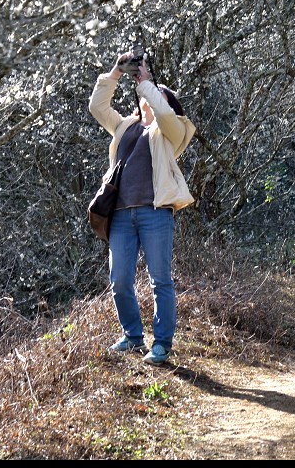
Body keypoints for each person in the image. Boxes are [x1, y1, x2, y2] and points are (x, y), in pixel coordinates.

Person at [88, 51, 196, 365]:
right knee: (119, 278)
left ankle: (161, 343)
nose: (152, 95)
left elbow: (164, 114)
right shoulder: (125, 127)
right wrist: (116, 73)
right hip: (121, 214)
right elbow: (97, 107)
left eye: (159, 94)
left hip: (154, 212)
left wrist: (148, 83)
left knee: (159, 279)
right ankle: (133, 336)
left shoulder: (172, 132)